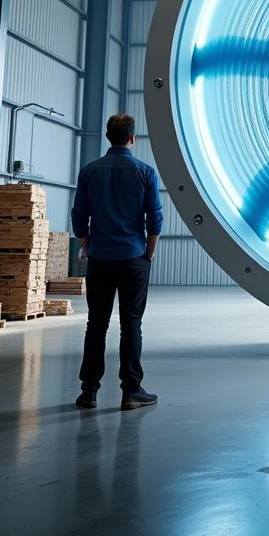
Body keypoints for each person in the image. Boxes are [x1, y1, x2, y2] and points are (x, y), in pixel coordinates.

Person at [71, 113, 163, 411]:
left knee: (95, 324)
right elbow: (155, 218)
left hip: (100, 258)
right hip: (133, 257)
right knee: (131, 324)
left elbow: (78, 216)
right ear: (133, 138)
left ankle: (89, 391)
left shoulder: (89, 171)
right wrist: (148, 252)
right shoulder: (145, 172)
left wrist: (88, 245)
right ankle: (131, 391)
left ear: (108, 137)